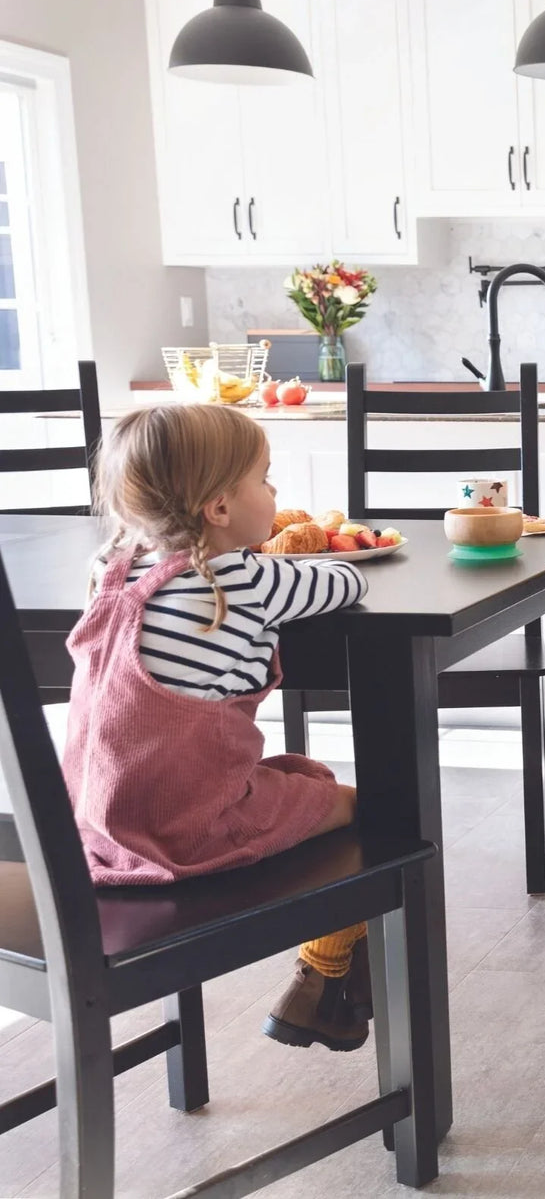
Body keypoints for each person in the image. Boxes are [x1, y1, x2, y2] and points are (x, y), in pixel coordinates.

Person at [64, 403, 373, 1052]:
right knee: (367, 806)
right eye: (264, 479)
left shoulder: (110, 573)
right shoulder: (243, 579)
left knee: (294, 778)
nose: (276, 492)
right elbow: (343, 583)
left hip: (98, 833)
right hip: (190, 834)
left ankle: (341, 990)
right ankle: (324, 977)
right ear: (219, 509)